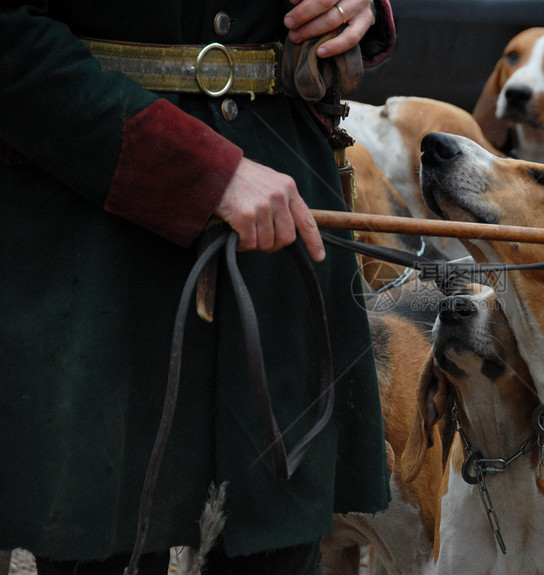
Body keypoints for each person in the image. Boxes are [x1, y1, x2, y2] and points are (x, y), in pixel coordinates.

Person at [0, 1, 395, 573]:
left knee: (277, 544)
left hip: (281, 218)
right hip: (92, 232)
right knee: (103, 547)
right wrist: (200, 172)